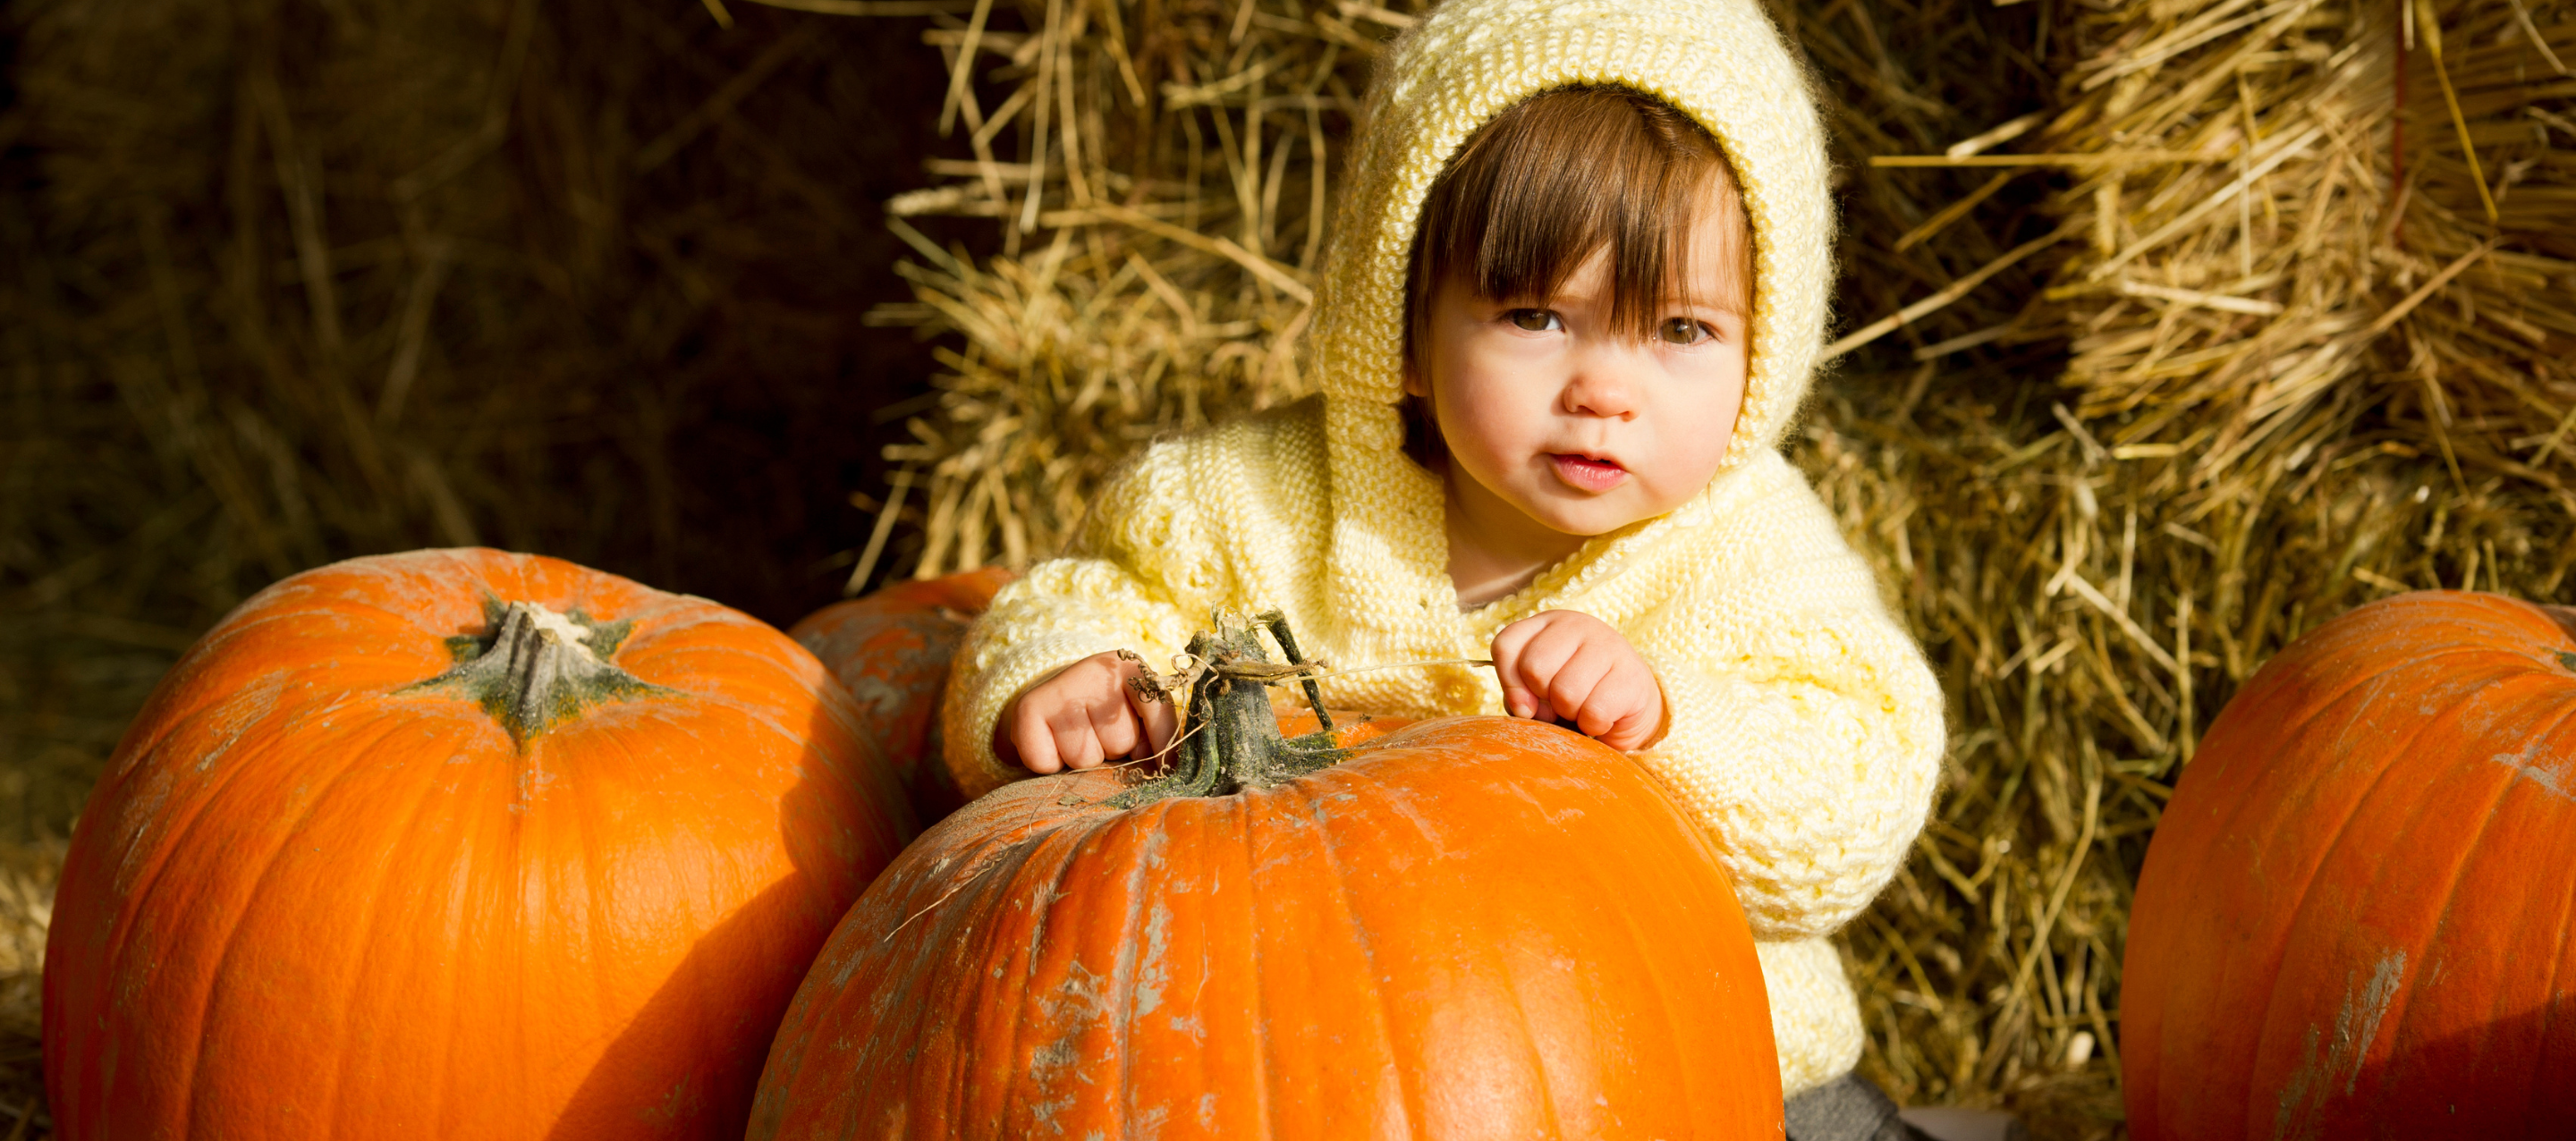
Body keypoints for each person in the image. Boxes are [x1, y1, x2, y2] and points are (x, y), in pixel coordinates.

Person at [938, 0, 1945, 1134]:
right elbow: (1084, 591)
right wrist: (1066, 675)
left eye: (1679, 331)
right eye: (1535, 315)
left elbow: (1852, 787)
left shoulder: (1748, 548)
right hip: (1334, 1068)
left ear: (1769, 344)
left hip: (1712, 1061)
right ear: (1407, 322)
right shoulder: (1253, 504)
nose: (1606, 390)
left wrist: (1673, 722)